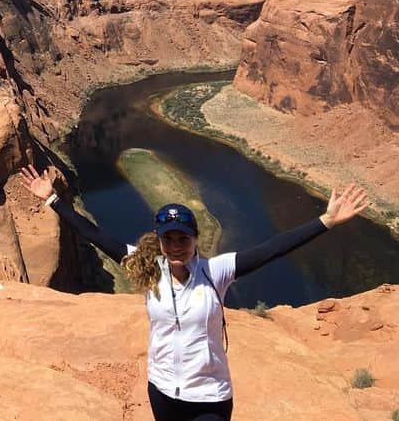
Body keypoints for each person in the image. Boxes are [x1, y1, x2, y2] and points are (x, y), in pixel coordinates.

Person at [19, 164, 369, 421]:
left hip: (209, 397)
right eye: (168, 239)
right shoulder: (148, 268)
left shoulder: (216, 272)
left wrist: (326, 221)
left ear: (195, 239)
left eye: (182, 238)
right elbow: (92, 233)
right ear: (159, 240)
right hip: (162, 391)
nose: (175, 246)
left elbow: (273, 248)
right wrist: (51, 198)